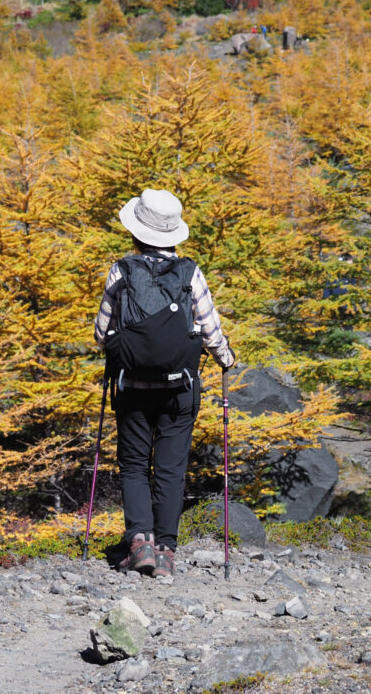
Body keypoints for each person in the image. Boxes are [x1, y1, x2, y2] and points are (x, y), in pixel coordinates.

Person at [94, 189, 235, 577]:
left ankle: (140, 541)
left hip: (133, 386)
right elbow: (210, 330)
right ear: (174, 234)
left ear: (136, 232)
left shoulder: (121, 270)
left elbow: (101, 332)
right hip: (180, 388)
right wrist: (226, 359)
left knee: (135, 464)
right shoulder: (190, 273)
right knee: (171, 468)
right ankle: (167, 552)